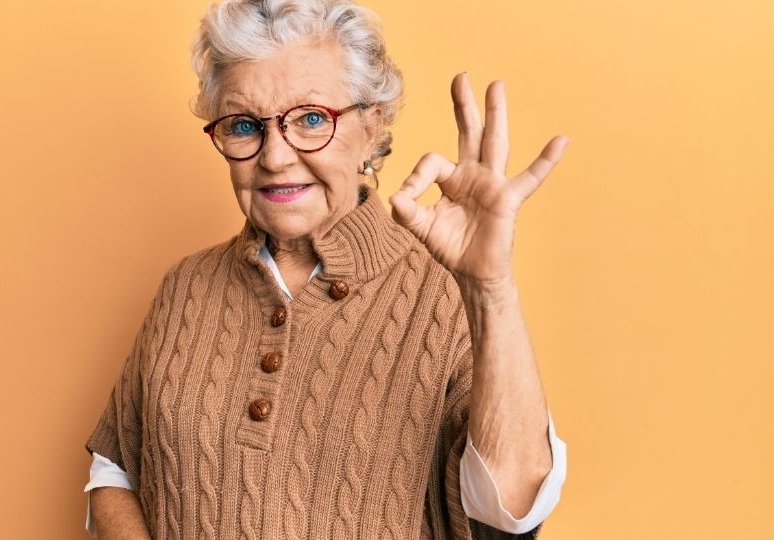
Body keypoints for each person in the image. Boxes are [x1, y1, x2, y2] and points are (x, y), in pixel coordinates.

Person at [83, 0, 569, 538]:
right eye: (245, 125)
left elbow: (513, 509)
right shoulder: (185, 287)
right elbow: (115, 468)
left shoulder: (447, 295)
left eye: (312, 118)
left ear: (372, 126)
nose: (275, 157)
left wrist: (489, 290)